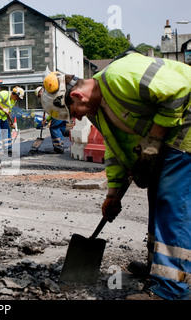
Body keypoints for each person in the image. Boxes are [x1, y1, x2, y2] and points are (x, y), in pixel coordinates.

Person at [41, 52, 191, 301]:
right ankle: (161, 271)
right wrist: (113, 195)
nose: (76, 119)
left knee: (171, 203)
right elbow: (115, 150)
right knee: (158, 199)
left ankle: (172, 290)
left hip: (185, 130)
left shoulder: (120, 75)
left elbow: (182, 90)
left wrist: (152, 142)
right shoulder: (97, 112)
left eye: (73, 113)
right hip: (170, 138)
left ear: (77, 95)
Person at [0, 87, 24, 156]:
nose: (18, 99)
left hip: (3, 117)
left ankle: (8, 149)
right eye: (18, 98)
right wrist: (3, 109)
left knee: (6, 131)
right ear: (15, 94)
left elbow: (8, 112)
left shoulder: (14, 101)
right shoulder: (4, 94)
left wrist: (11, 122)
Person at [36, 86, 67, 154]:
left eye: (39, 95)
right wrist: (46, 120)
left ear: (41, 91)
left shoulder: (47, 96)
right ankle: (60, 145)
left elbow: (52, 111)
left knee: (54, 127)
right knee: (60, 127)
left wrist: (46, 120)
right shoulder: (50, 93)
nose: (40, 97)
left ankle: (58, 147)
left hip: (58, 112)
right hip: (64, 111)